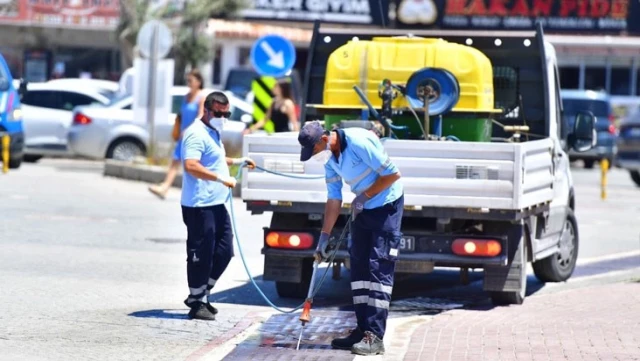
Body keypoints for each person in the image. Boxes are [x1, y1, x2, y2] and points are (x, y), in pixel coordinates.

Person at [298, 120, 404, 356]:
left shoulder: (358, 142)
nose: (315, 156)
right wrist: (324, 237)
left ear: (324, 139)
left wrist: (365, 196)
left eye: (313, 151)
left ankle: (375, 337)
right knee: (359, 269)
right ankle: (362, 329)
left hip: (387, 206)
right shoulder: (330, 161)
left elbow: (393, 174)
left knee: (379, 269)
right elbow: (334, 199)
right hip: (364, 208)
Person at [180, 91, 256, 320]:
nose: (223, 117)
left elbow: (213, 158)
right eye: (219, 113)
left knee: (224, 251)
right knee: (201, 253)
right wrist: (221, 179)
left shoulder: (213, 132)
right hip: (199, 205)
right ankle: (197, 301)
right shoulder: (195, 133)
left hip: (216, 203)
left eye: (227, 113)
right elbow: (191, 165)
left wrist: (237, 162)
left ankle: (203, 293)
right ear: (207, 110)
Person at [149, 69, 206, 199]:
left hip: (193, 135)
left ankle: (199, 191)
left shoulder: (201, 97)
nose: (189, 83)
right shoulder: (186, 97)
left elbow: (201, 115)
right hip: (182, 135)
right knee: (175, 161)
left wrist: (189, 129)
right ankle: (165, 187)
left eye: (191, 80)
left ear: (199, 82)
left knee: (193, 164)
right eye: (188, 81)